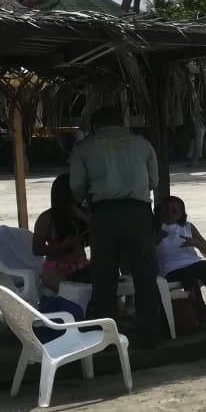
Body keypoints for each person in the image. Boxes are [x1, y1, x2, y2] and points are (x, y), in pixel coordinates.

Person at [69, 105, 163, 348]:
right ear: (122, 122)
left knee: (104, 274)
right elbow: (153, 181)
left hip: (104, 214)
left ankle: (104, 337)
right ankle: (150, 335)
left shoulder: (85, 148)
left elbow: (77, 188)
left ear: (94, 126)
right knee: (144, 272)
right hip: (138, 212)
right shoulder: (142, 144)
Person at [155, 195, 206, 331]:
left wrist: (193, 242)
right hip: (170, 269)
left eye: (174, 211)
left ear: (181, 214)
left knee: (205, 266)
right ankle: (204, 316)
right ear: (160, 212)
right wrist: (156, 240)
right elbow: (148, 254)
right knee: (189, 279)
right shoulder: (156, 231)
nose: (170, 214)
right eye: (166, 211)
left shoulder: (187, 227)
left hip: (193, 263)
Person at [31, 174, 92, 292]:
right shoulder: (47, 218)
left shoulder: (81, 214)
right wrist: (63, 246)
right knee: (73, 293)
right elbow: (37, 249)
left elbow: (99, 234)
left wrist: (85, 218)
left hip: (82, 265)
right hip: (57, 267)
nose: (82, 191)